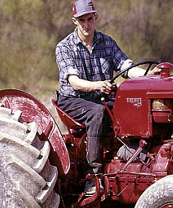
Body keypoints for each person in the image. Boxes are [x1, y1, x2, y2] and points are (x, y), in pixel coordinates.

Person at [55, 0, 154, 195]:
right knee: (98, 113)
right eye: (81, 20)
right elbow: (74, 82)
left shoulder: (107, 42)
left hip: (101, 95)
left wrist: (150, 74)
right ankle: (92, 176)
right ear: (74, 21)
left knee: (133, 103)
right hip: (73, 99)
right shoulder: (64, 47)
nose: (86, 25)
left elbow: (126, 67)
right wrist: (98, 85)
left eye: (89, 19)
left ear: (96, 18)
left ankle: (133, 150)